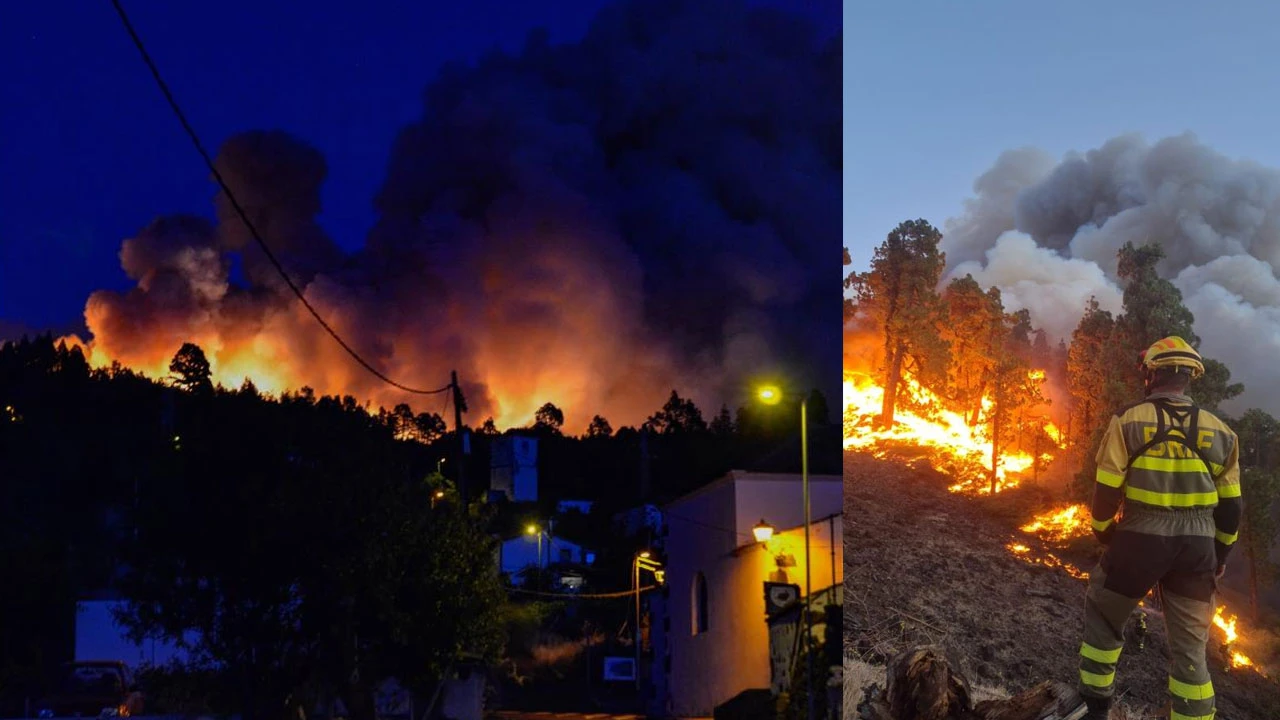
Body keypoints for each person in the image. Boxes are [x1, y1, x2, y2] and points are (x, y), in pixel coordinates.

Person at [1075, 336, 1241, 720]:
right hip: (1198, 546)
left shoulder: (1128, 420)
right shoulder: (1220, 431)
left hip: (1139, 537)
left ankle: (1096, 708)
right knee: (1191, 649)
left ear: (1151, 374)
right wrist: (1220, 555)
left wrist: (1105, 533)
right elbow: (1232, 506)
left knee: (1103, 613)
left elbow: (1106, 488)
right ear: (1189, 378)